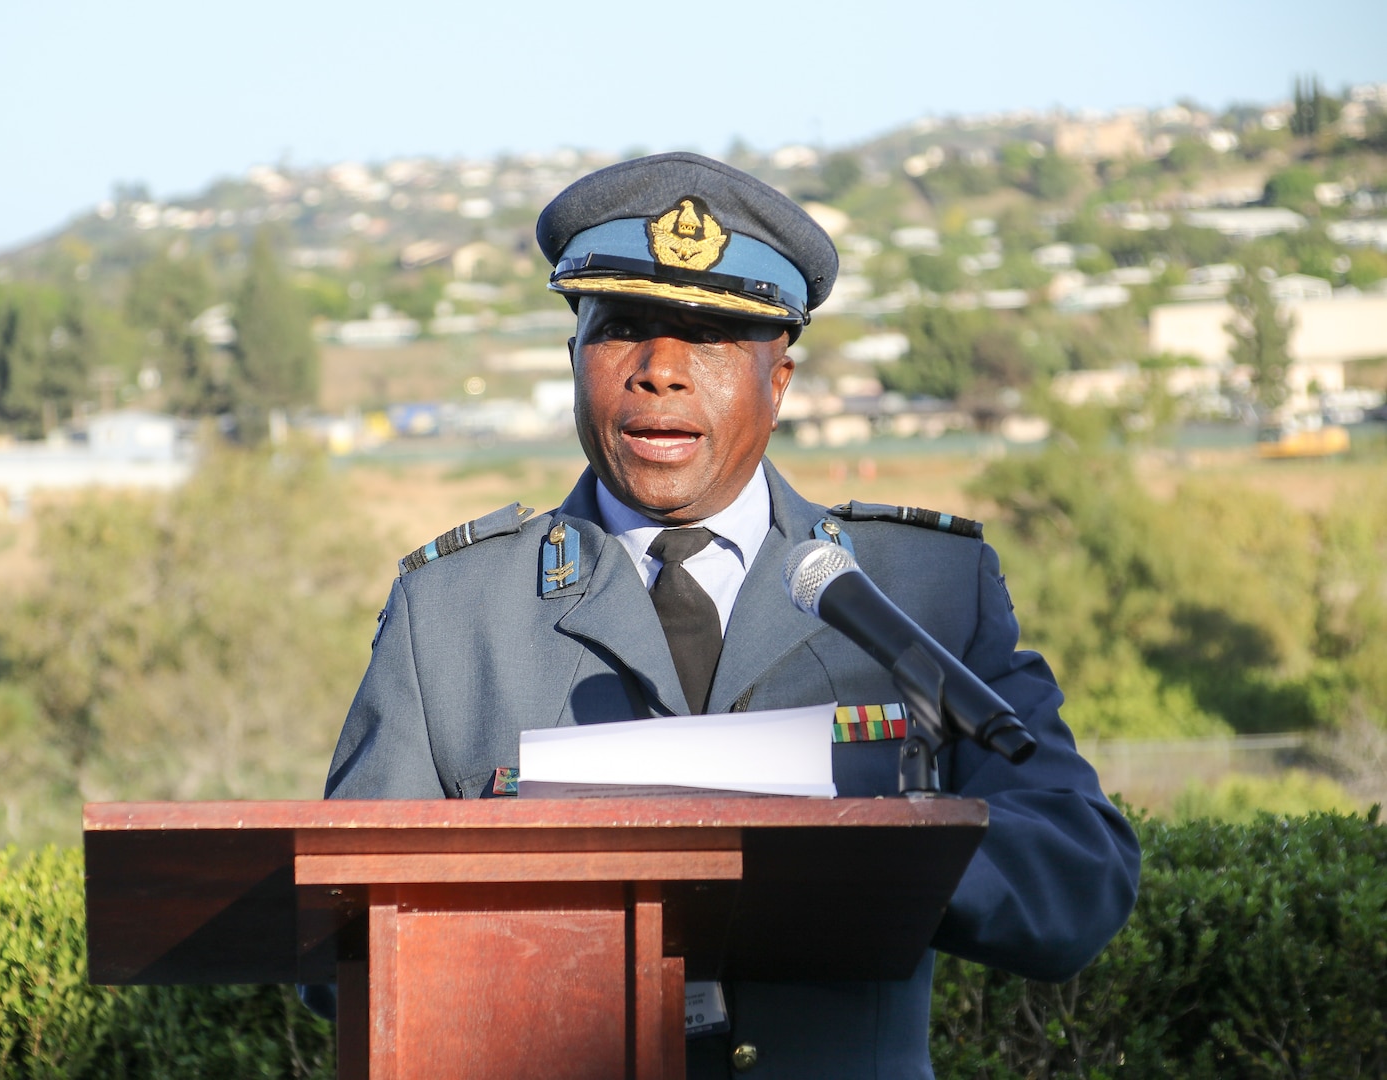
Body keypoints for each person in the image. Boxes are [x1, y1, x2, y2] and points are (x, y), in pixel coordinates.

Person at [325, 152, 1140, 1078]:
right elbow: (333, 943)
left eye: (709, 336)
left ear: (780, 382)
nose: (660, 372)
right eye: (623, 327)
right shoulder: (455, 612)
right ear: (573, 358)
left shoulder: (922, 590)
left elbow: (1080, 882)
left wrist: (868, 863)